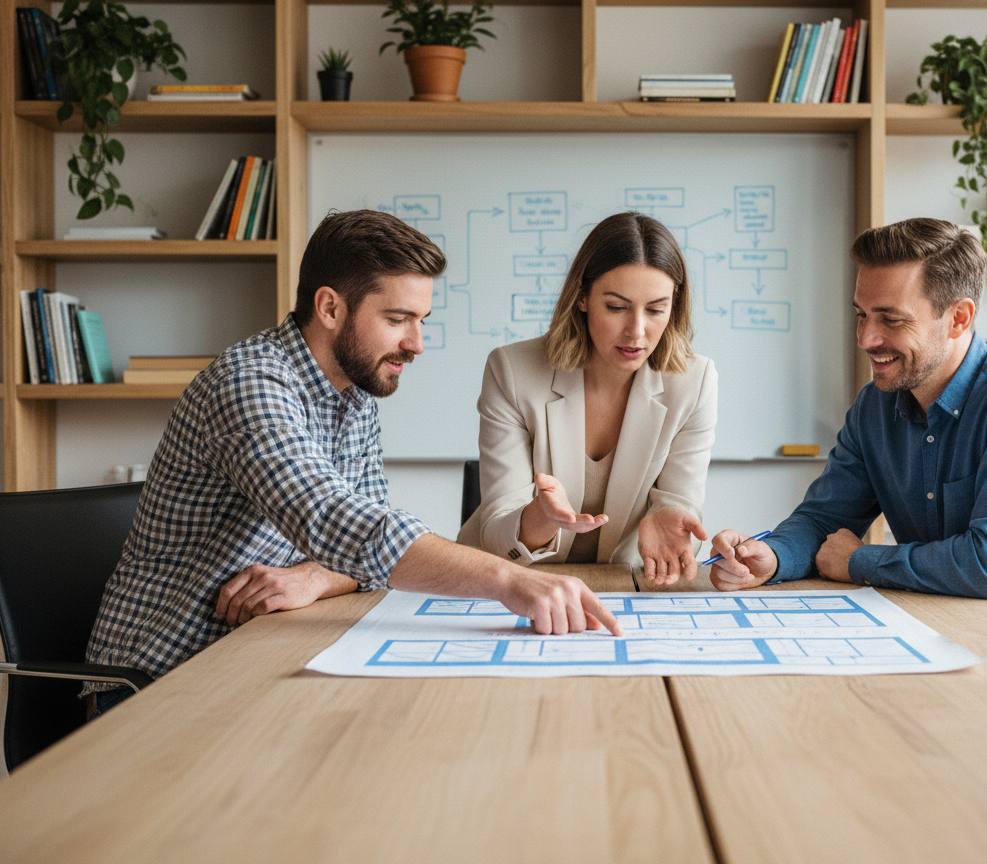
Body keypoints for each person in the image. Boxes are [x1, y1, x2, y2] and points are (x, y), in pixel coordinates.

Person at [83, 210, 622, 720]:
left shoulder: (353, 395)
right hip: (155, 681)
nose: (416, 344)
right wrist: (509, 581)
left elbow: (361, 548)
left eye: (420, 320)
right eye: (397, 320)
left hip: (255, 653)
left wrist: (314, 578)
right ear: (330, 308)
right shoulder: (250, 382)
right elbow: (336, 520)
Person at [707, 218, 987, 650]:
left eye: (891, 320)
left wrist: (858, 562)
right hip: (950, 639)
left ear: (958, 318)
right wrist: (774, 557)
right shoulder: (875, 405)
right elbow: (824, 519)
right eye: (862, 315)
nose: (867, 338)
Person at [457, 212, 718, 585]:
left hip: (618, 581)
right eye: (616, 307)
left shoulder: (695, 381)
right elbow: (498, 534)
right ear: (582, 297)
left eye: (657, 309)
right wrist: (539, 519)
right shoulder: (512, 370)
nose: (637, 331)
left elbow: (679, 507)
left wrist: (674, 516)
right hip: (508, 581)